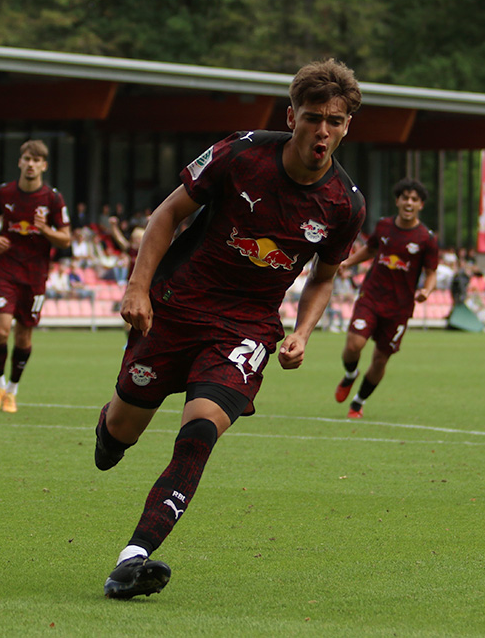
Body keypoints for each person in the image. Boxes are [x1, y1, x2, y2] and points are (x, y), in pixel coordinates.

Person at [93, 59, 364, 600]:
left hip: (246, 326)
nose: (323, 131)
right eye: (314, 118)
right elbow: (167, 216)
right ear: (292, 116)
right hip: (176, 306)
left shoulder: (345, 204)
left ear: (347, 126)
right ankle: (111, 427)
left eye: (335, 121)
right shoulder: (240, 153)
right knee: (119, 434)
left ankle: (133, 557)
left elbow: (323, 278)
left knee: (199, 430)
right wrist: (137, 288)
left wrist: (304, 332)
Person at [333, 178, 438, 419]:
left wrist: (427, 291)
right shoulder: (383, 227)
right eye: (405, 198)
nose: (409, 203)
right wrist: (348, 262)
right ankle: (350, 375)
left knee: (380, 359)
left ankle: (358, 403)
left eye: (414, 199)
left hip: (400, 308)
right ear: (398, 201)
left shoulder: (426, 238)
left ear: (421, 205)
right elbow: (370, 250)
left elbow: (431, 273)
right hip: (371, 296)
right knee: (353, 346)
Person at [0, 139, 71, 413]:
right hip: (5, 271)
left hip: (35, 277)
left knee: (23, 339)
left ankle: (12, 391)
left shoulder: (53, 199)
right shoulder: (4, 192)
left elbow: (65, 239)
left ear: (44, 165)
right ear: (20, 162)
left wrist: (45, 230)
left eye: (36, 160)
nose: (31, 164)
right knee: (0, 331)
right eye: (27, 159)